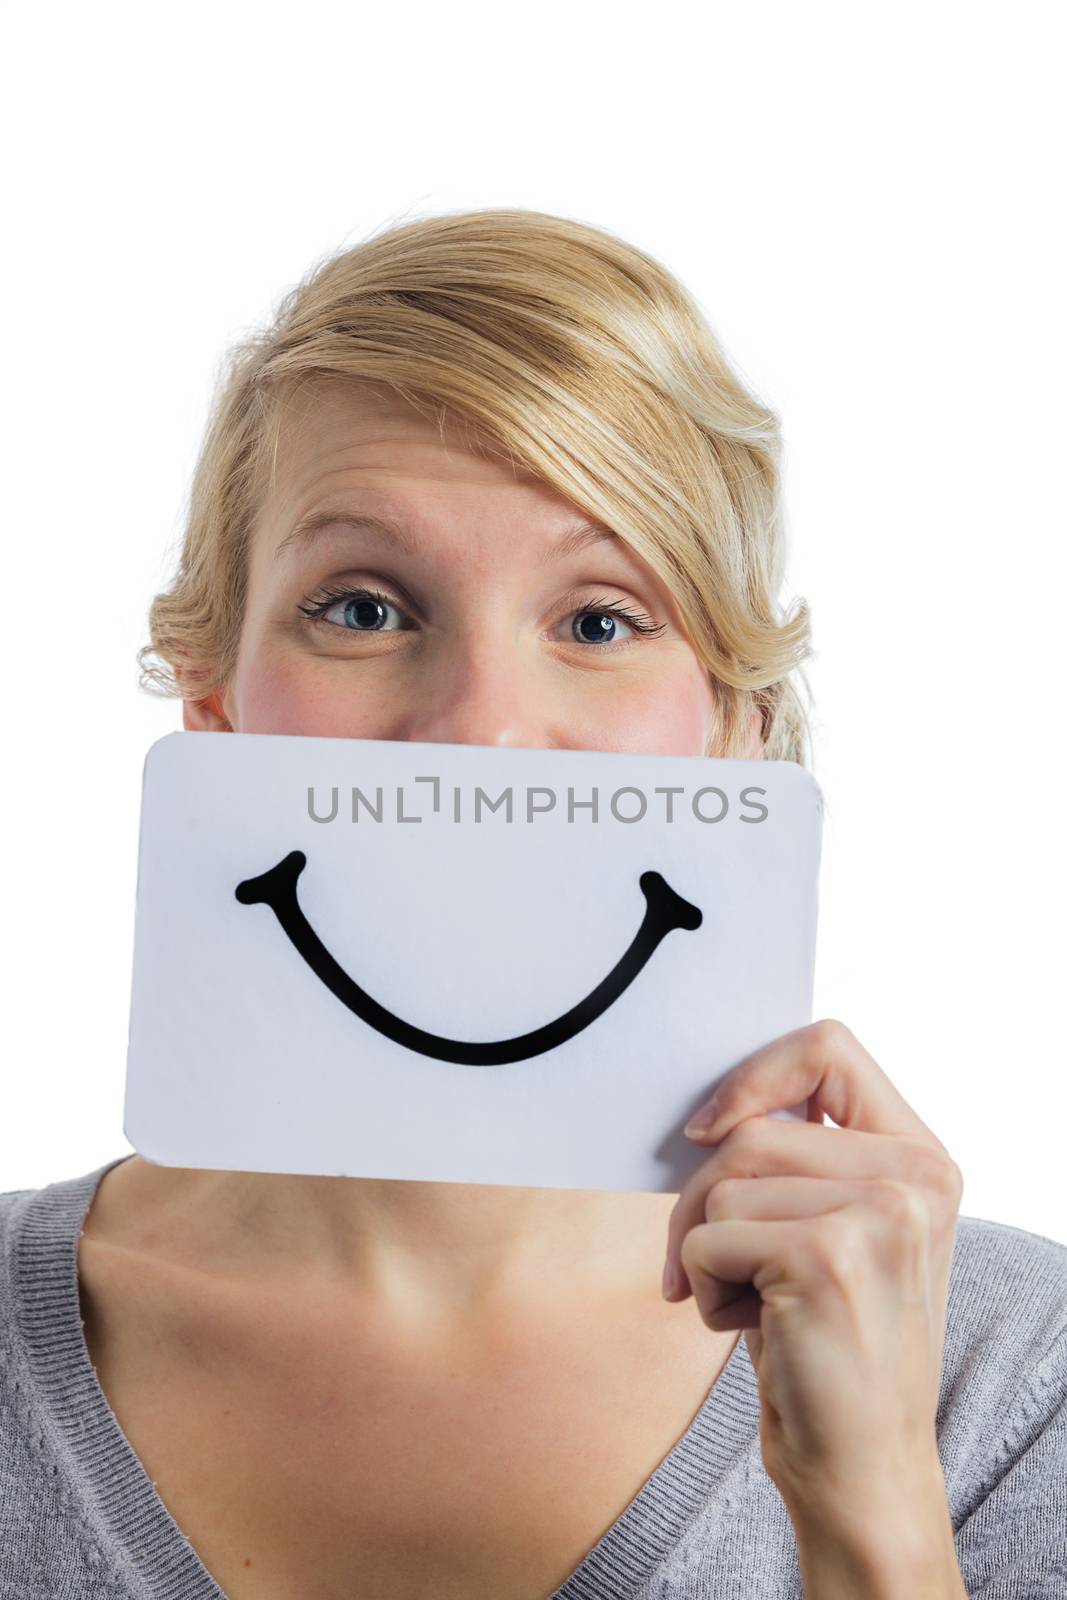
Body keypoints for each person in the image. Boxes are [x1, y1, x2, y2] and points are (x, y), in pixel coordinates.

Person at [1, 208, 1064, 1600]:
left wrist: (873, 1508)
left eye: (601, 620)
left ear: (736, 728)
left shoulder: (1008, 1369)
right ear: (214, 699)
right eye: (364, 609)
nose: (478, 733)